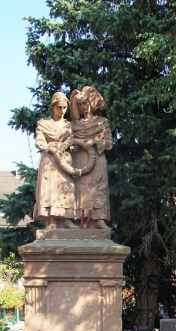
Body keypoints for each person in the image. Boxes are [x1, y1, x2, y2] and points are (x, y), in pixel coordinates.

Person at [34, 92, 79, 229]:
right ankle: (52, 220)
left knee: (67, 187)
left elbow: (73, 143)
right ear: (53, 107)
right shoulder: (44, 123)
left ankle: (67, 219)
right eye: (59, 107)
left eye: (65, 107)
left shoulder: (68, 125)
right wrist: (49, 148)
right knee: (51, 189)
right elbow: (39, 141)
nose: (62, 110)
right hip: (50, 160)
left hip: (65, 158)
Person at [70, 86, 113, 229]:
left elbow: (109, 143)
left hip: (98, 159)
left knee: (100, 187)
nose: (84, 107)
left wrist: (95, 142)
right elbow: (69, 143)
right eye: (80, 104)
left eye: (85, 103)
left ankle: (99, 219)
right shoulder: (74, 125)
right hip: (80, 159)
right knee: (82, 189)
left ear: (91, 103)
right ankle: (81, 221)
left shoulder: (102, 122)